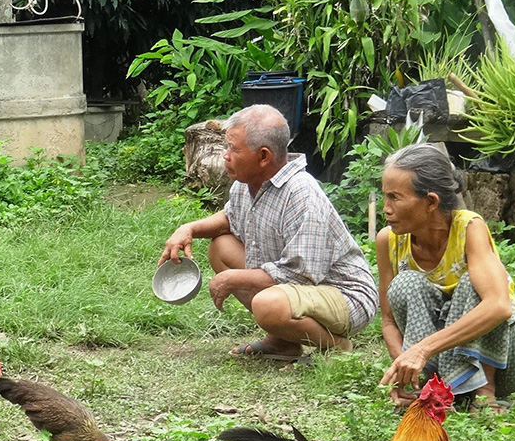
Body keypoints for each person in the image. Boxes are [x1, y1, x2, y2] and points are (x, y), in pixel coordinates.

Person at [160, 104, 378, 362]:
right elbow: (230, 219)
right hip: (298, 287)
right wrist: (189, 229)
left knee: (267, 304)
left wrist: (231, 279)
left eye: (233, 149)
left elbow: (299, 277)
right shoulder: (246, 183)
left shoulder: (301, 194)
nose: (225, 156)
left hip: (343, 296)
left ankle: (336, 347)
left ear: (264, 157)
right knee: (220, 247)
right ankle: (282, 343)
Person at [377, 143, 515, 411]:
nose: (386, 208)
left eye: (395, 197)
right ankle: (433, 388)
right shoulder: (388, 240)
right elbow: (388, 321)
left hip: (508, 362)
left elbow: (499, 306)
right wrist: (403, 369)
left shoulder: (469, 228)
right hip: (442, 358)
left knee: (473, 287)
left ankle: (484, 391)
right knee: (404, 284)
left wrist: (423, 349)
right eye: (385, 197)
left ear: (431, 201)